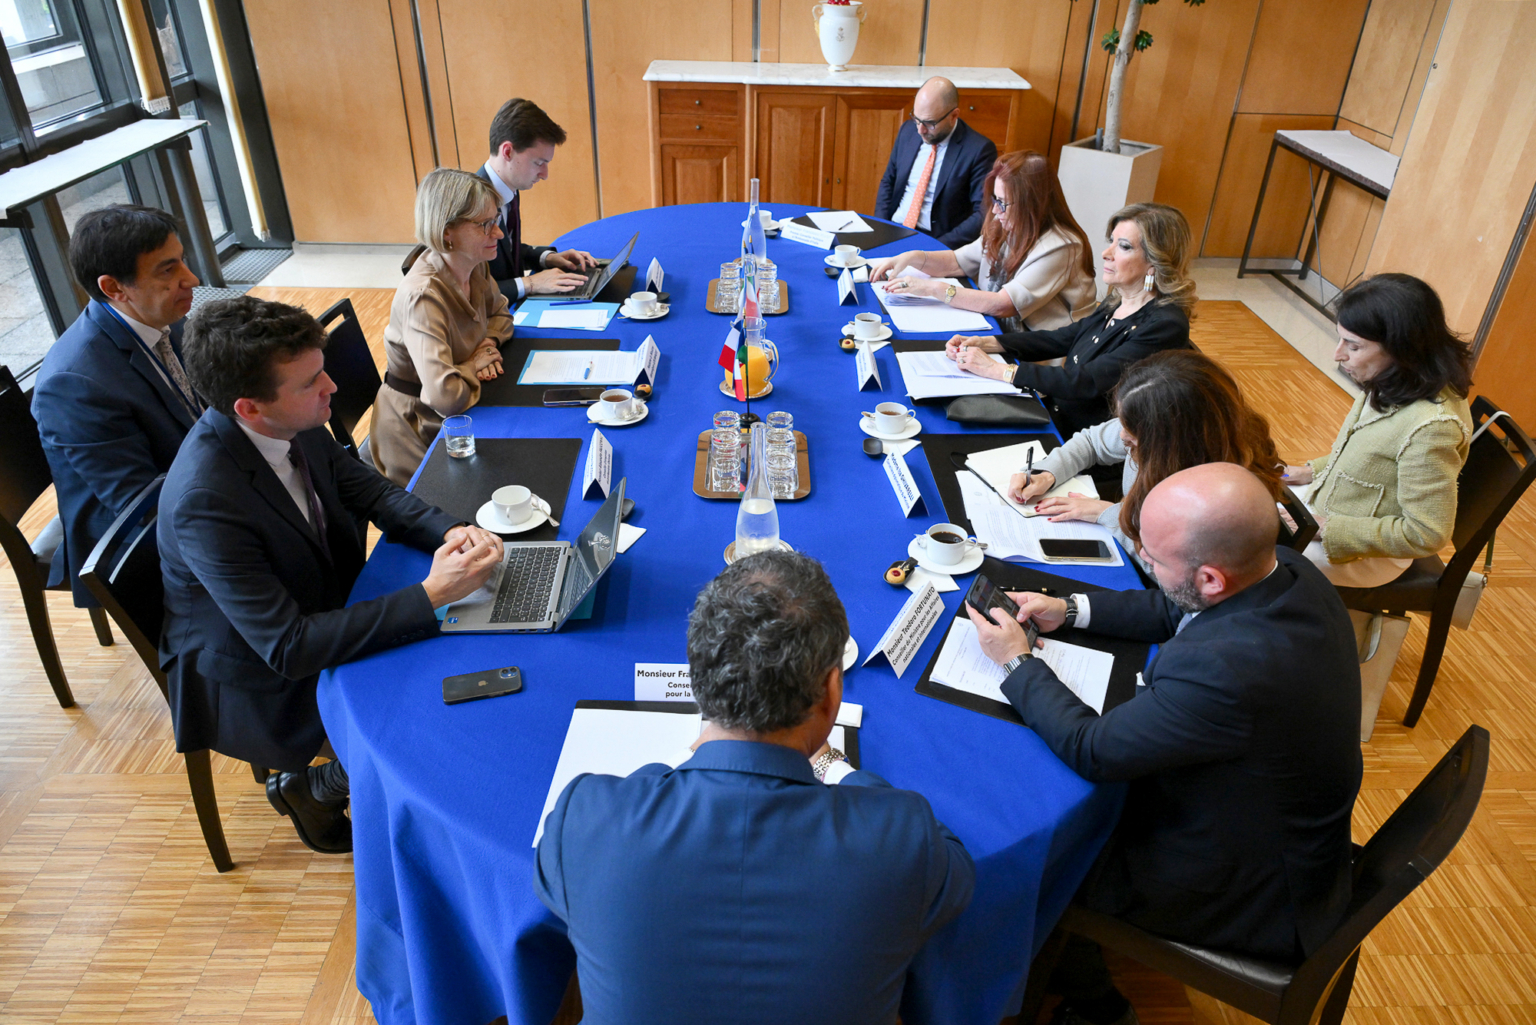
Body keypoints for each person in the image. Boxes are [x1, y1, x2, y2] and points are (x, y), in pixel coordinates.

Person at [967, 464, 1361, 1025]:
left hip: (1244, 887)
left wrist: (1016, 660)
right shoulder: (1283, 569)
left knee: (1042, 861)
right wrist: (1071, 608)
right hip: (1276, 829)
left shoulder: (1227, 670)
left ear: (1211, 578)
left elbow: (1092, 749)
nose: (1144, 563)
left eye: (1152, 558)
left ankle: (1099, 1008)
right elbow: (1176, 605)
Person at [535, 551, 974, 1024]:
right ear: (832, 692)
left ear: (697, 680)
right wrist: (840, 769)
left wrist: (679, 762)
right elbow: (956, 873)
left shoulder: (583, 822)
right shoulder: (903, 839)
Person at [160, 296, 503, 854]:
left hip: (326, 604)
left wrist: (452, 531)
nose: (332, 388)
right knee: (445, 712)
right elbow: (289, 647)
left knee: (477, 657)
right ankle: (318, 787)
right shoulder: (205, 501)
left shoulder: (294, 418)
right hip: (262, 677)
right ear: (250, 408)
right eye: (311, 382)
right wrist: (431, 594)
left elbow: (368, 490)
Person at [31, 205, 202, 607]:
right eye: (168, 270)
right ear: (113, 288)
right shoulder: (74, 384)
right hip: (129, 542)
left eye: (182, 260)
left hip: (188, 481)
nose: (191, 278)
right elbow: (141, 505)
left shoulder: (164, 317)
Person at [1011, 350, 1285, 573]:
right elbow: (1092, 442)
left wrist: (1108, 514)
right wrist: (1047, 473)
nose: (1122, 436)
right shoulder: (1166, 428)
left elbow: (1170, 574)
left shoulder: (1214, 499)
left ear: (1172, 439)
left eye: (1132, 431)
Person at [1283, 273, 1474, 589]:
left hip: (1362, 555)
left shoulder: (1433, 427)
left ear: (1402, 348)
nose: (1338, 354)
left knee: (1239, 552)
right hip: (1330, 508)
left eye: (1354, 346)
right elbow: (1368, 458)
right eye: (1341, 339)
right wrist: (1307, 472)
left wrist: (1326, 528)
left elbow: (1427, 533)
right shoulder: (1396, 377)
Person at [945, 202, 1196, 443]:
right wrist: (990, 342)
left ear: (1155, 261)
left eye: (1124, 247)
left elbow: (1085, 382)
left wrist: (997, 370)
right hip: (1056, 416)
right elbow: (1061, 338)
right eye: (1111, 242)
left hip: (1086, 442)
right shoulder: (1119, 300)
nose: (1106, 254)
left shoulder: (1166, 325)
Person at [372, 168, 516, 486]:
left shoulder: (474, 265)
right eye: (485, 225)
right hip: (418, 429)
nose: (498, 233)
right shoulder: (423, 297)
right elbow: (444, 397)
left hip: (461, 412)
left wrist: (487, 344)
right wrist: (474, 364)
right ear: (447, 231)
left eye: (496, 220)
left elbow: (502, 315)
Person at [870, 150, 1096, 333]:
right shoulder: (1007, 222)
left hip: (1043, 353)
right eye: (995, 199)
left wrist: (931, 288)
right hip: (1001, 330)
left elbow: (1003, 304)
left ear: (1032, 204)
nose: (996, 210)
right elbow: (958, 262)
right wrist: (913, 258)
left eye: (1003, 202)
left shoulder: (1062, 247)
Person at [477, 97, 594, 300]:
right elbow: (469, 292)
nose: (545, 174)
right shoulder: (471, 207)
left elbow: (505, 252)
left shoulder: (509, 188)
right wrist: (530, 283)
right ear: (507, 152)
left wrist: (547, 258)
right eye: (539, 163)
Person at [873, 76, 998, 247]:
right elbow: (889, 180)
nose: (920, 130)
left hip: (937, 240)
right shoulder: (908, 131)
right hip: (894, 228)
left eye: (930, 123)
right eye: (917, 119)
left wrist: (937, 248)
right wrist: (881, 227)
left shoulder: (978, 150)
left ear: (954, 115)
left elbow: (983, 213)